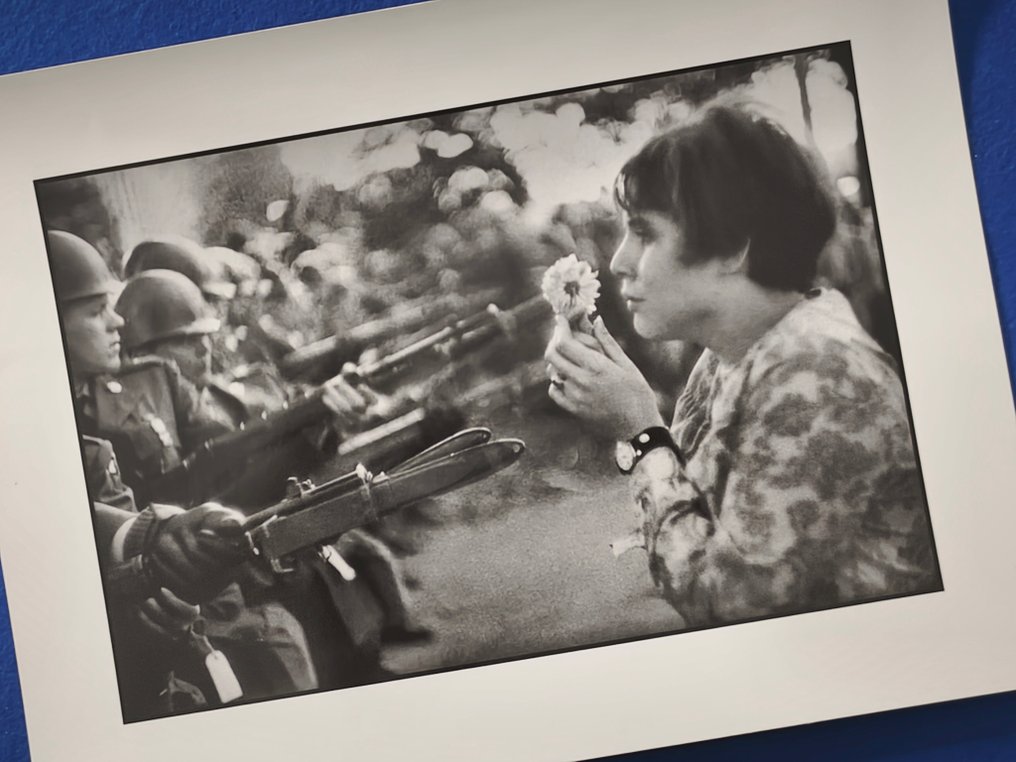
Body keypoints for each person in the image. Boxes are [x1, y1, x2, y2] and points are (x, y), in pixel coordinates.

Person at [544, 103, 939, 628]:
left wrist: (640, 432)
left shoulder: (819, 373)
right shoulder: (732, 354)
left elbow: (729, 602)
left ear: (732, 249)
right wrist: (632, 413)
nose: (618, 261)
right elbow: (698, 515)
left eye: (645, 233)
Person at [48, 229, 318, 716]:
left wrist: (305, 427)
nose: (117, 323)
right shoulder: (79, 428)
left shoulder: (128, 402)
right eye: (93, 312)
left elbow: (213, 455)